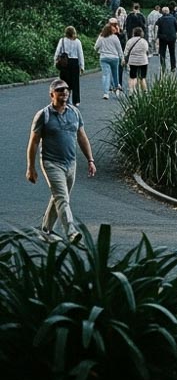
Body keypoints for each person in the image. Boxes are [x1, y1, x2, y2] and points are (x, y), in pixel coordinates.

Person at [25, 78, 97, 242]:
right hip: (51, 163)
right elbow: (34, 142)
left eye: (66, 89)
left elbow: (82, 137)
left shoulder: (75, 113)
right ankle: (71, 232)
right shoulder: (43, 115)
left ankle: (45, 230)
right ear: (52, 94)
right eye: (59, 90)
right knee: (62, 197)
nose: (64, 91)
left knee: (59, 197)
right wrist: (31, 167)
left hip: (71, 162)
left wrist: (90, 160)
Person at [53, 26, 85, 106]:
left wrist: (55, 61)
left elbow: (58, 51)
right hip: (74, 62)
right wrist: (82, 66)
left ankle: (64, 98)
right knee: (75, 82)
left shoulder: (62, 40)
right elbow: (80, 54)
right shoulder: (77, 42)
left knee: (64, 82)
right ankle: (76, 101)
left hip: (65, 63)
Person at [94, 22, 124, 99]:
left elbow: (96, 47)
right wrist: (122, 58)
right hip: (114, 57)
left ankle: (106, 93)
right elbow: (119, 49)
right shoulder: (115, 37)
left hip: (104, 57)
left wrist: (99, 50)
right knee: (115, 74)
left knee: (105, 75)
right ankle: (117, 88)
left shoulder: (101, 37)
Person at [122, 26, 150, 93]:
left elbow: (126, 52)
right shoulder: (144, 41)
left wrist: (124, 60)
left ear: (133, 33)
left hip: (132, 61)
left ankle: (131, 91)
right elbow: (146, 50)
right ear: (141, 33)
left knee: (132, 77)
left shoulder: (130, 41)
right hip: (143, 61)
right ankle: (145, 91)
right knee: (142, 77)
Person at [154, 4, 177, 72]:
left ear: (162, 12)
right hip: (172, 37)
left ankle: (163, 66)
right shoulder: (173, 18)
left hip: (163, 38)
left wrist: (156, 37)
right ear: (168, 12)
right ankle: (173, 66)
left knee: (162, 53)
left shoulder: (160, 19)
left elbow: (156, 27)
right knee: (172, 52)